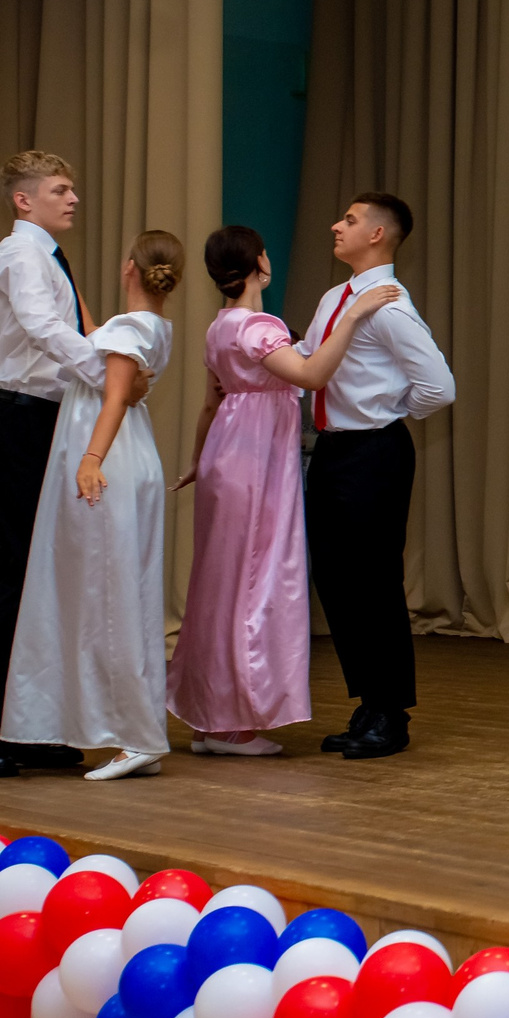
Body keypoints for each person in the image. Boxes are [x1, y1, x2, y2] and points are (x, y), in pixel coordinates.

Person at [168, 227, 400, 756]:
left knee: (223, 585)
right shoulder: (257, 326)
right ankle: (237, 725)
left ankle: (212, 720)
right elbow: (314, 374)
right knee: (256, 584)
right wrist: (355, 314)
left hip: (229, 452)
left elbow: (209, 406)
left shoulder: (219, 326)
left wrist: (199, 461)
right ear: (259, 264)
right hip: (255, 462)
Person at [0, 231, 181, 781]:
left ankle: (137, 737)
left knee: (111, 598)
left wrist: (90, 458)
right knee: (115, 592)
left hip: (110, 461)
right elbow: (91, 333)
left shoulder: (131, 330)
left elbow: (115, 395)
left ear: (130, 267)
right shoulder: (151, 326)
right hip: (130, 459)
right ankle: (128, 732)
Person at [0, 150, 109, 779]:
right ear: (24, 199)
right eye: (60, 189)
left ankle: (22, 724)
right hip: (19, 422)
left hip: (40, 417)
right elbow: (43, 328)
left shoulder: (46, 257)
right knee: (16, 579)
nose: (73, 199)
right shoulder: (21, 255)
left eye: (73, 188)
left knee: (43, 581)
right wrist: (108, 374)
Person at [301, 193, 458, 761]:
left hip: (373, 452)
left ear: (378, 235)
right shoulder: (333, 299)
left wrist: (388, 411)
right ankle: (368, 702)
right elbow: (305, 359)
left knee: (372, 581)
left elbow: (439, 386)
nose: (336, 225)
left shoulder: (387, 304)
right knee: (338, 580)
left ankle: (390, 713)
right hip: (335, 452)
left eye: (348, 219)